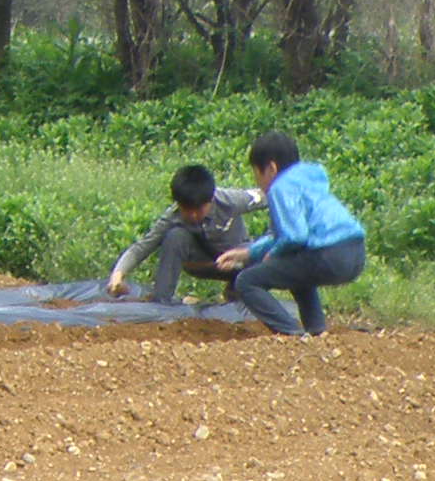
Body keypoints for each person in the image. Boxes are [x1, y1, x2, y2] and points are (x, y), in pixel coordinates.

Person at [217, 131, 365, 339]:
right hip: (355, 252)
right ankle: (316, 330)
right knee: (296, 268)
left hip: (329, 255)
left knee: (247, 281)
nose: (258, 183)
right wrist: (248, 253)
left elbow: (294, 236)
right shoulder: (307, 180)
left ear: (270, 168)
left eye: (256, 174)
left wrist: (273, 254)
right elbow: (285, 235)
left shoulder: (281, 187)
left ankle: (292, 334)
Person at [106, 164, 257, 307]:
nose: (193, 215)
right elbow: (141, 247)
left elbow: (268, 196)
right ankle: (161, 303)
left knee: (261, 253)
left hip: (239, 262)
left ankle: (237, 295)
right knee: (175, 236)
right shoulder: (174, 216)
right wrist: (118, 274)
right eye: (187, 209)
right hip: (203, 264)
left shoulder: (230, 201)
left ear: (210, 200)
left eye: (198, 210)